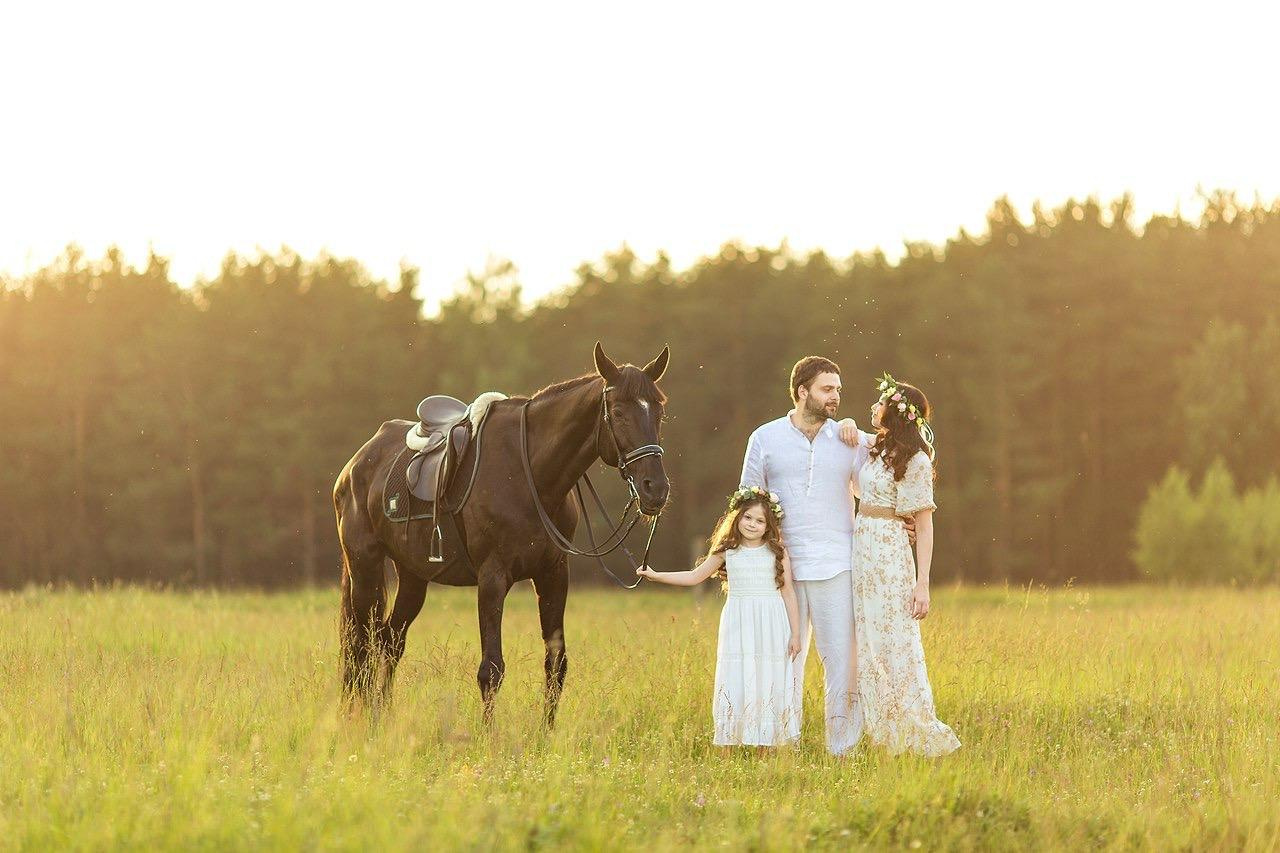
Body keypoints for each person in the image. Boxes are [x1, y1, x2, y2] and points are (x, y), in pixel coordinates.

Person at [738, 356, 911, 756]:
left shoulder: (849, 440)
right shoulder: (764, 437)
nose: (835, 397)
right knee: (784, 658)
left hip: (838, 562)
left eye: (838, 389)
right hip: (783, 568)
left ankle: (843, 747)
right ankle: (783, 741)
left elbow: (893, 472)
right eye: (827, 389)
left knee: (842, 662)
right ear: (803, 391)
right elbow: (747, 500)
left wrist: (912, 519)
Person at [838, 372, 960, 756]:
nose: (873, 407)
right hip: (863, 549)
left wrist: (922, 583)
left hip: (890, 552)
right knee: (869, 643)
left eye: (881, 402)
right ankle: (885, 732)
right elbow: (850, 433)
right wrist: (845, 424)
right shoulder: (878, 447)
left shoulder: (917, 459)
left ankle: (916, 728)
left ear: (896, 411)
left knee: (895, 642)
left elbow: (923, 524)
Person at [638, 488, 802, 747]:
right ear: (737, 517)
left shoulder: (778, 552)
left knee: (766, 676)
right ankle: (732, 738)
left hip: (771, 624)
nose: (752, 524)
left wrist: (795, 633)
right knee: (737, 674)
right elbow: (694, 576)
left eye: (760, 521)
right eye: (748, 517)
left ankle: (766, 742)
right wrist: (656, 575)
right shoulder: (727, 551)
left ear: (769, 525)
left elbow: (789, 593)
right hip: (739, 621)